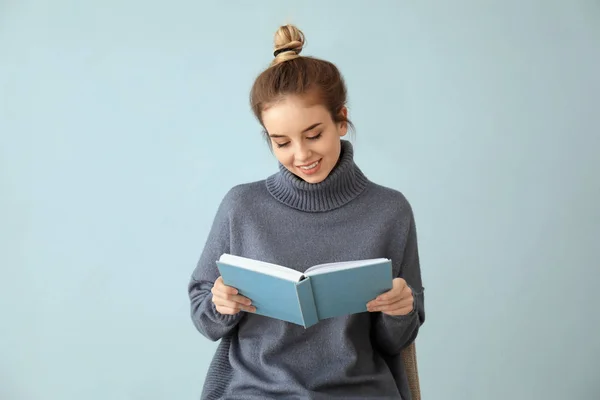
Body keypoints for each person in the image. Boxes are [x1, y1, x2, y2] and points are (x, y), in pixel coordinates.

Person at [188, 24, 426, 400]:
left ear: (341, 120)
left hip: (356, 391)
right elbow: (205, 316)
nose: (301, 155)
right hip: (256, 391)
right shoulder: (242, 206)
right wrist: (221, 303)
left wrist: (399, 311)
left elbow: (395, 341)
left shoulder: (389, 211)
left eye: (314, 135)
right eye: (281, 143)